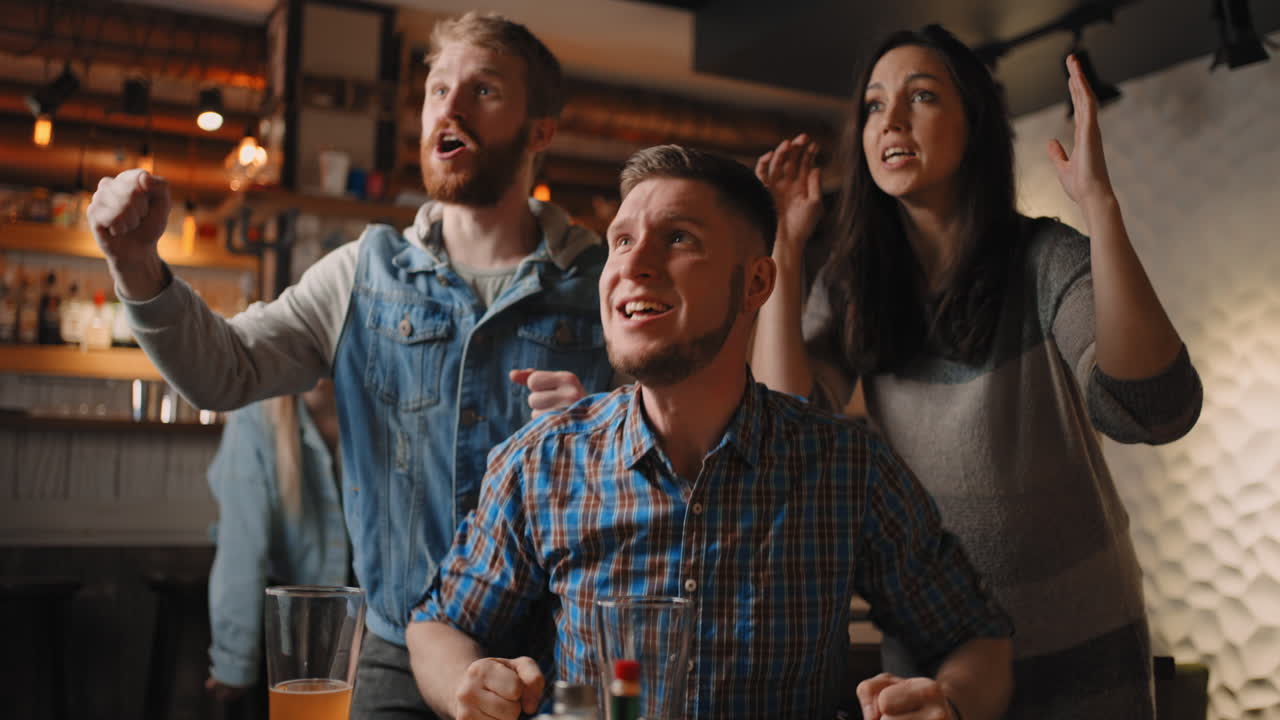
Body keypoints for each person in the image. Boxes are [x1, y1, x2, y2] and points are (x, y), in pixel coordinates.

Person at [85, 12, 614, 718]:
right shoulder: (361, 276)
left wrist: (606, 423)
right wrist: (135, 262)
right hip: (395, 661)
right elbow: (224, 371)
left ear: (540, 131)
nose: (448, 109)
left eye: (482, 90)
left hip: (551, 665)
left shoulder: (605, 283)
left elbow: (675, 456)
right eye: (436, 90)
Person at [406, 145, 1014, 720]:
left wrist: (951, 704)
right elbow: (439, 626)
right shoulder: (539, 462)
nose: (633, 265)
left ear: (755, 284)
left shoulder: (847, 467)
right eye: (621, 240)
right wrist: (469, 682)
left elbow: (975, 638)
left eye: (677, 239)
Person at [752, 25, 1203, 720]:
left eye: (921, 96)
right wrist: (784, 246)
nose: (890, 121)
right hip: (936, 648)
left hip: (1081, 641)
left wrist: (1100, 205)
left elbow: (1153, 407)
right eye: (873, 106)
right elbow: (787, 421)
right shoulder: (851, 285)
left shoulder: (1045, 258)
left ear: (976, 124)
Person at [204, 379, 346, 714]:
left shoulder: (378, 413)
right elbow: (241, 550)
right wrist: (235, 663)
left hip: (358, 626)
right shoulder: (254, 417)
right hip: (278, 626)